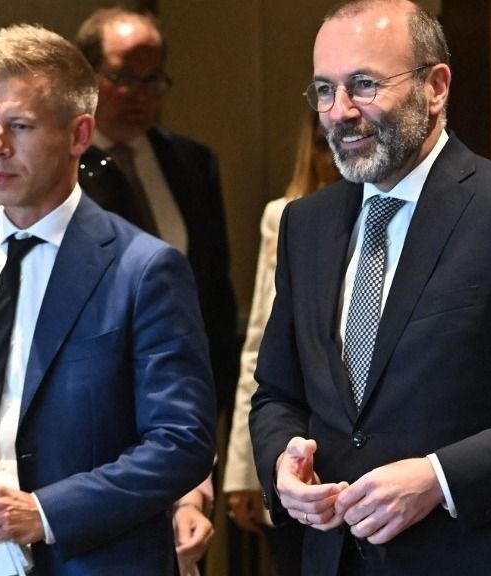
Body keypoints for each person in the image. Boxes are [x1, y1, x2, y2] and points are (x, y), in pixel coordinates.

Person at [249, 1, 491, 575]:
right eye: (324, 90)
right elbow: (278, 393)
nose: (340, 112)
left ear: (435, 86)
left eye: (364, 85)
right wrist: (284, 463)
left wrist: (439, 478)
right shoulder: (306, 224)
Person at [0, 24, 216, 576]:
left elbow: (181, 442)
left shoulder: (144, 268)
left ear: (79, 134)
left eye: (20, 126)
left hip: (96, 561)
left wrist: (44, 513)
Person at [222, 110, 339, 575]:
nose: (331, 155)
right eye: (322, 143)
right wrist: (244, 470)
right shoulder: (286, 216)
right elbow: (259, 346)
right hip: (296, 441)